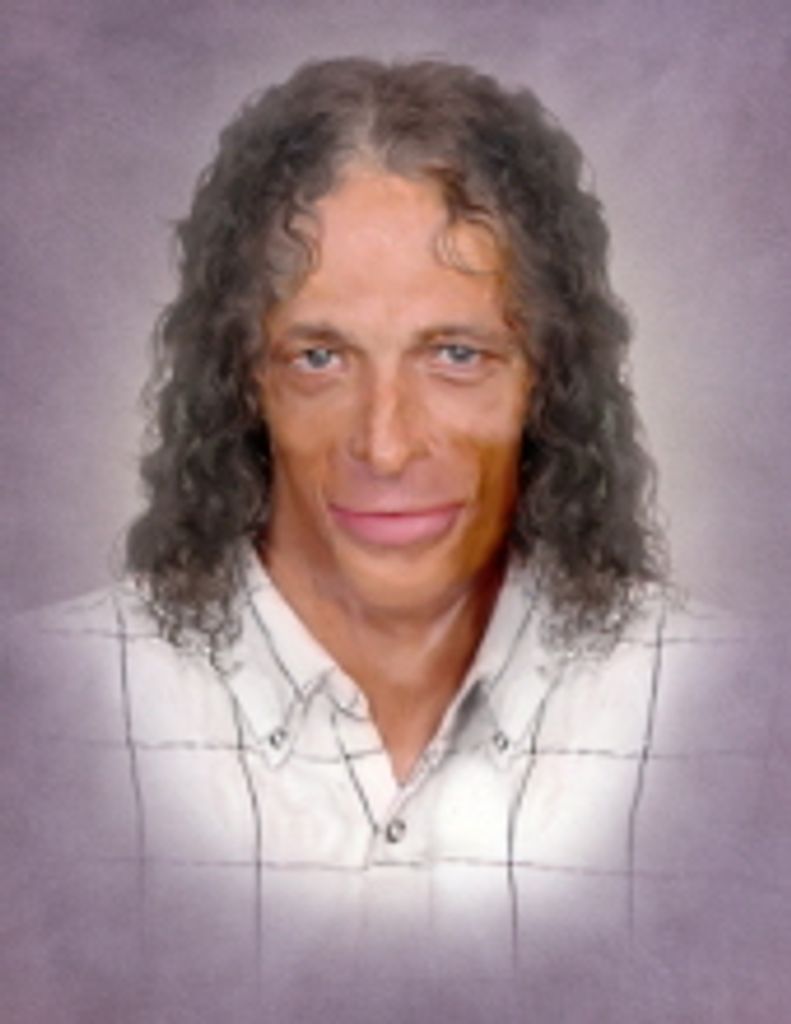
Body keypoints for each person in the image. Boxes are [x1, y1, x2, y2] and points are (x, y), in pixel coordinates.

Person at [8, 57, 758, 1024]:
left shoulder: (741, 715)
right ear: (244, 379)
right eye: (320, 357)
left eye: (456, 355)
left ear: (545, 378)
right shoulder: (36, 713)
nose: (387, 443)